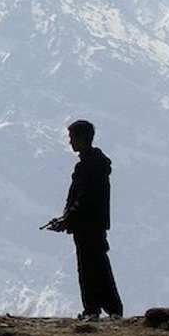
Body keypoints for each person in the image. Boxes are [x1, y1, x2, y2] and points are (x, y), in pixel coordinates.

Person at [43, 120, 124, 321]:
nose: (70, 142)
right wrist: (67, 218)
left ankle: (94, 309)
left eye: (72, 138)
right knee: (97, 264)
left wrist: (67, 219)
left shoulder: (89, 166)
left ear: (81, 138)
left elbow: (85, 198)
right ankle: (109, 308)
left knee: (90, 266)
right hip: (92, 223)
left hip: (88, 224)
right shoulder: (95, 164)